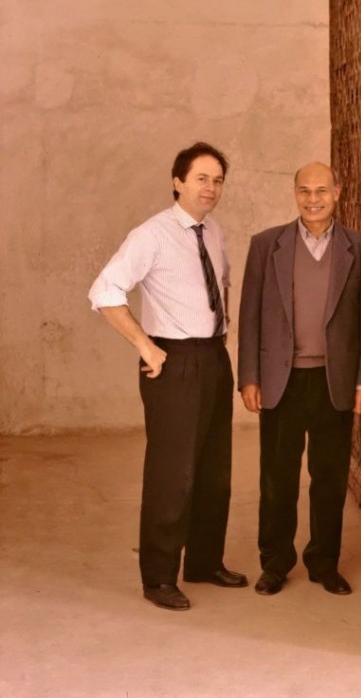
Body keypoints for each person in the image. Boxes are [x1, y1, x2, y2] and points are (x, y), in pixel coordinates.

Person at [88, 141, 247, 611]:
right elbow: (104, 291)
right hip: (173, 362)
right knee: (171, 474)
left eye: (217, 180)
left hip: (213, 357)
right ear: (178, 181)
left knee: (214, 470)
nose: (211, 188)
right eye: (201, 178)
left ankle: (203, 562)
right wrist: (144, 344)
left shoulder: (213, 232)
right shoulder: (151, 235)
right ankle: (158, 577)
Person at [238, 161, 361, 597]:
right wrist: (249, 376)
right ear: (294, 193)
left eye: (322, 190)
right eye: (304, 190)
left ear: (338, 192)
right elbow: (250, 315)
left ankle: (323, 562)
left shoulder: (359, 248)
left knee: (330, 477)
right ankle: (275, 562)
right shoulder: (267, 246)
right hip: (281, 382)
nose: (313, 198)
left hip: (334, 382)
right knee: (277, 478)